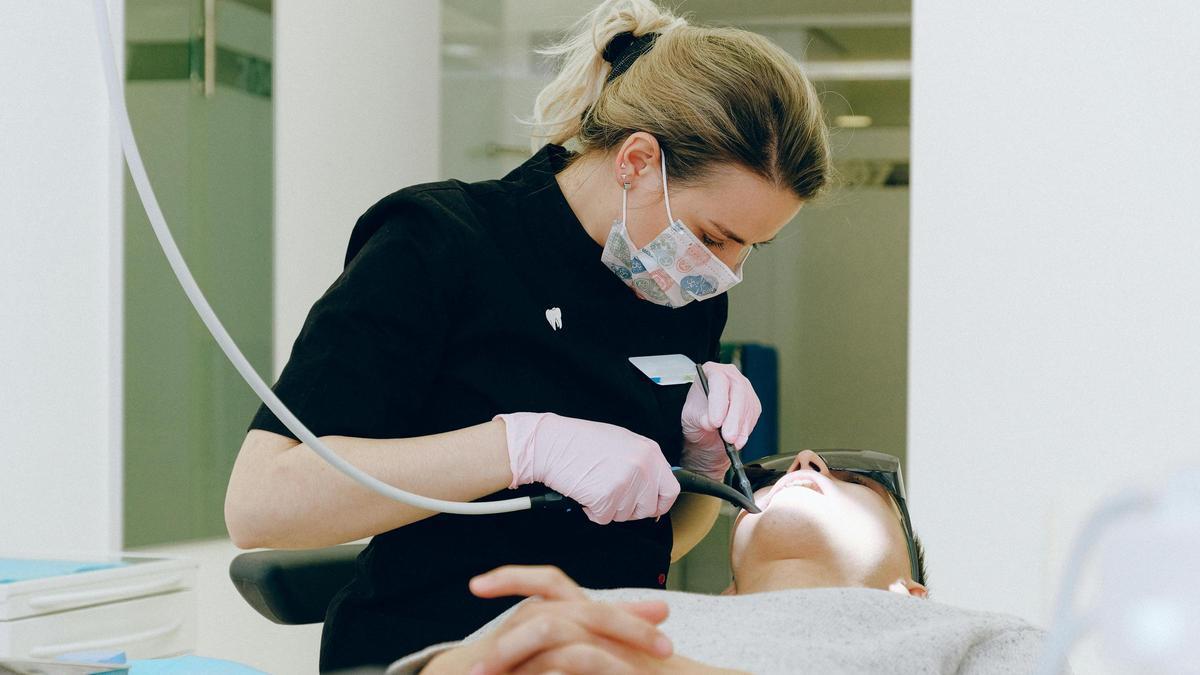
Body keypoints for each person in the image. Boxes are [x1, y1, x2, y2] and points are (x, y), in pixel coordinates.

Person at [223, 0, 830, 670]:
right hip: (434, 651)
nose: (725, 271)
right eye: (714, 237)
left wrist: (701, 466)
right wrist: (519, 446)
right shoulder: (438, 243)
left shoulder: (681, 292)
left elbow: (649, 543)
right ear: (636, 160)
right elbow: (261, 504)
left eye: (751, 248)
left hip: (601, 655)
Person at [390, 450, 1054, 675]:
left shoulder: (968, 634)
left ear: (910, 591)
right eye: (768, 477)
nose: (805, 462)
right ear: (727, 592)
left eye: (857, 480)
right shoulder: (592, 609)